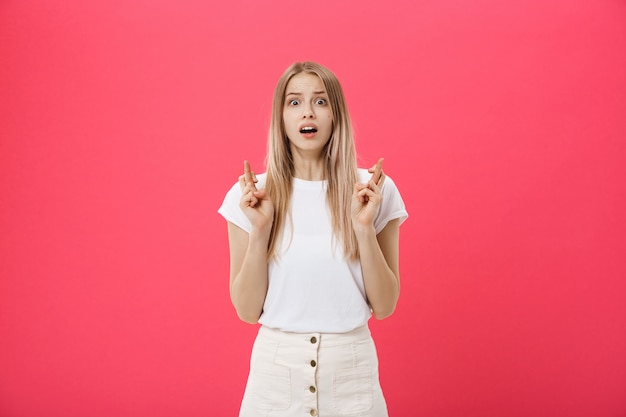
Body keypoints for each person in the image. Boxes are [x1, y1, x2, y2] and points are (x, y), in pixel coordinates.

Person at [218, 61, 408, 417]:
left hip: (353, 375)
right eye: (294, 102)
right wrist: (260, 231)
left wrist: (364, 228)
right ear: (281, 117)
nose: (308, 112)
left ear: (336, 114)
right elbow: (246, 311)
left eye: (321, 102)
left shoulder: (372, 190)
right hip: (274, 379)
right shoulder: (250, 194)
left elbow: (384, 306)